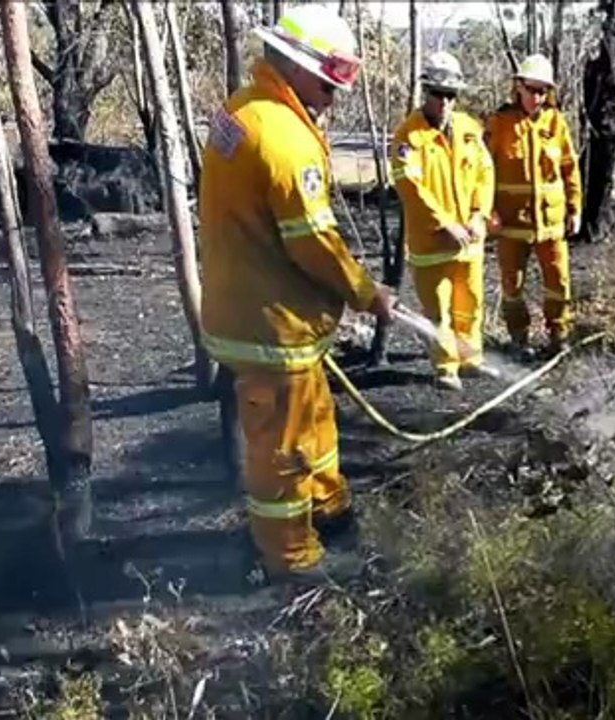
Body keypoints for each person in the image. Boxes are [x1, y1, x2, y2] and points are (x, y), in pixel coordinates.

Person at [197, 4, 397, 583]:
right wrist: (366, 291)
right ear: (294, 63)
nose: (334, 97)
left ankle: (329, 506)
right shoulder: (283, 137)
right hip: (268, 325)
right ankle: (290, 556)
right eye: (328, 82)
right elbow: (311, 241)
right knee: (283, 453)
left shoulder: (245, 108)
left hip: (270, 312)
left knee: (315, 419)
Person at [390, 52, 497, 390]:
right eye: (439, 94)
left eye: (451, 95)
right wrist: (445, 223)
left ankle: (471, 358)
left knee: (471, 304)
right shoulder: (409, 136)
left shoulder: (469, 129)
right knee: (439, 310)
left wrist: (479, 215)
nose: (446, 102)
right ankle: (446, 366)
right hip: (433, 243)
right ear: (427, 93)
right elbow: (411, 186)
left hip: (470, 240)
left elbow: (484, 173)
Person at [484, 54, 583, 361]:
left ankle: (558, 336)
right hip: (512, 223)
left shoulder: (556, 123)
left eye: (543, 91)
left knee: (559, 282)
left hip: (551, 222)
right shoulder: (500, 123)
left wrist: (574, 207)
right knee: (512, 284)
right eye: (532, 90)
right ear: (519, 87)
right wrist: (489, 211)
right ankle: (518, 337)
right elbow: (483, 171)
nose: (537, 97)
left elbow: (569, 168)